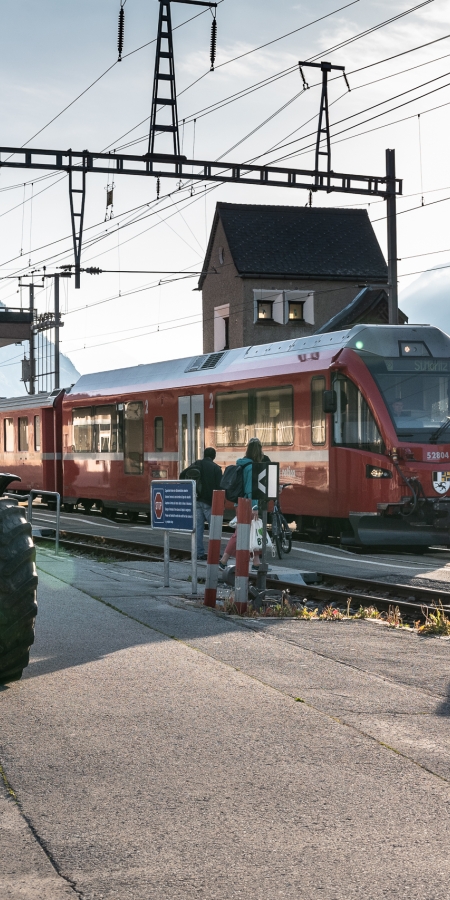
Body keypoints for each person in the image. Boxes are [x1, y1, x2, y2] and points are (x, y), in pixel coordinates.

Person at [219, 437, 269, 572]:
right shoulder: (251, 466)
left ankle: (256, 562)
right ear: (258, 451)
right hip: (247, 504)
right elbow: (249, 489)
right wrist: (254, 507)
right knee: (241, 533)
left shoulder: (242, 463)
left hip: (239, 502)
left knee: (252, 532)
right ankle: (223, 560)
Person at [181, 448, 222, 560]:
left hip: (197, 500)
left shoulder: (196, 464)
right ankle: (213, 554)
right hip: (209, 502)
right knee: (213, 528)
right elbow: (220, 488)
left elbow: (182, 475)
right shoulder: (216, 468)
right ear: (214, 456)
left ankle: (199, 553)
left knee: (198, 529)